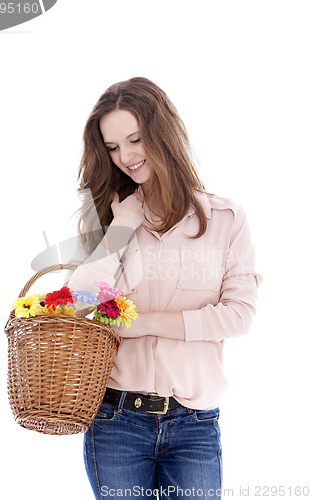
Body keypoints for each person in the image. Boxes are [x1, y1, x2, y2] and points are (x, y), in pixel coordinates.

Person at [65, 77, 260, 500]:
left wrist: (142, 322)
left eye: (135, 139)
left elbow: (239, 315)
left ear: (163, 133)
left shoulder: (226, 219)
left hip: (194, 425)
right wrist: (121, 228)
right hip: (116, 422)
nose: (126, 157)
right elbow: (78, 301)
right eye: (113, 147)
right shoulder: (112, 217)